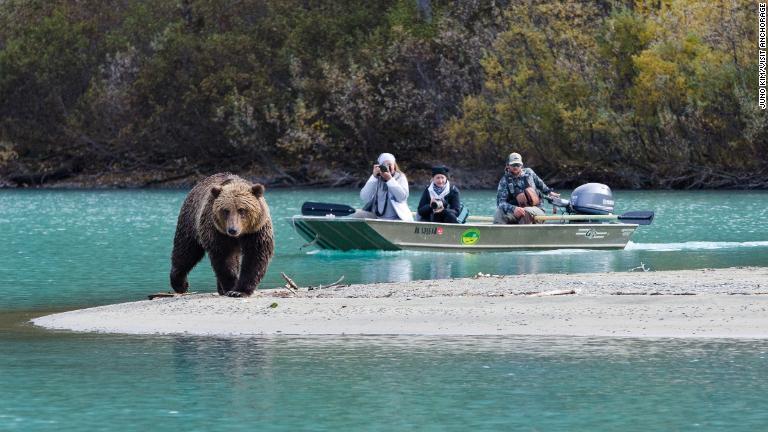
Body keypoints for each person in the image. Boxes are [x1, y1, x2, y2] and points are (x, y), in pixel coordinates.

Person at [493, 152, 559, 224]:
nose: (515, 167)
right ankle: (500, 232)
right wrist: (514, 209)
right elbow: (500, 203)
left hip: (536, 209)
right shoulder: (504, 181)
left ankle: (522, 234)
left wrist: (550, 193)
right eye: (513, 165)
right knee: (499, 212)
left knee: (525, 211)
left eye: (518, 165)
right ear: (508, 165)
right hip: (515, 212)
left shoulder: (529, 172)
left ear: (522, 165)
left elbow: (542, 185)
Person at [355, 152, 414, 221]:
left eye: (389, 164)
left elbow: (402, 197)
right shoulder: (376, 178)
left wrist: (390, 180)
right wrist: (373, 177)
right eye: (384, 165)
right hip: (377, 217)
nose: (387, 167)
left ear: (394, 165)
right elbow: (364, 197)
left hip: (397, 217)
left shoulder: (400, 177)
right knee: (357, 215)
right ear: (379, 166)